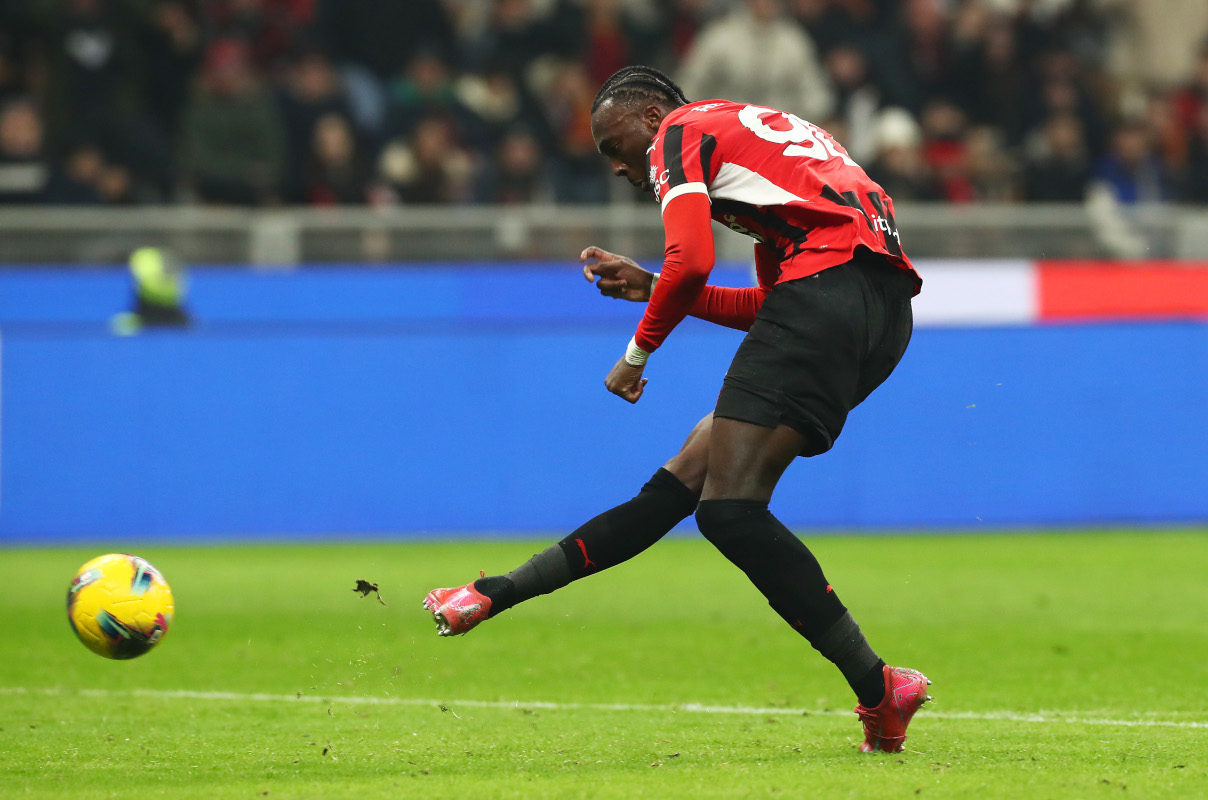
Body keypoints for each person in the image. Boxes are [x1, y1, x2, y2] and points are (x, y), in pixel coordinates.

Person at [423, 65, 931, 754]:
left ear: (651, 113)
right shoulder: (764, 166)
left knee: (730, 509)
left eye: (613, 144)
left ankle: (879, 687)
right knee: (690, 475)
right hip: (880, 317)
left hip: (828, 294)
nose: (617, 166)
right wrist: (660, 286)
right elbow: (766, 308)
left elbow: (693, 260)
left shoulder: (680, 131)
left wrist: (637, 353)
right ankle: (494, 592)